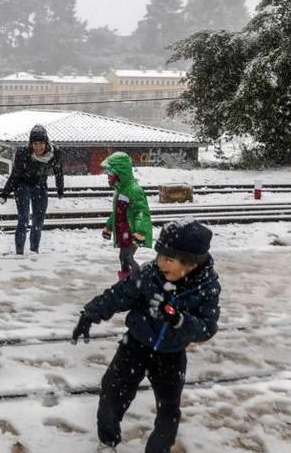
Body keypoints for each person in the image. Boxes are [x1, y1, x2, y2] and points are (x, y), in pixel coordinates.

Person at [71, 219, 220, 453]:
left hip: (171, 355)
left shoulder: (206, 286)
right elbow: (119, 295)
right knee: (111, 392)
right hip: (135, 345)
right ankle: (108, 441)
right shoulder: (150, 274)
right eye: (160, 255)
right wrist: (90, 313)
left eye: (169, 259)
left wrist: (179, 320)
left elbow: (207, 327)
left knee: (169, 410)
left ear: (191, 264)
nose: (160, 263)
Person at [0, 124, 64, 255]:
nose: (38, 147)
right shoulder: (23, 153)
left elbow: (59, 171)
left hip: (40, 185)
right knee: (24, 220)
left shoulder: (55, 153)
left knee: (38, 221)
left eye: (41, 143)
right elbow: (15, 174)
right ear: (31, 144)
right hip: (23, 185)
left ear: (46, 142)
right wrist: (5, 193)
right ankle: (19, 252)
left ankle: (34, 251)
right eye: (35, 144)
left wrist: (60, 188)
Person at [100, 152, 152, 280]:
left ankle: (140, 281)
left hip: (132, 232)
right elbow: (118, 212)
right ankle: (126, 281)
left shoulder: (134, 190)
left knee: (127, 257)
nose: (107, 176)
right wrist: (108, 227)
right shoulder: (120, 189)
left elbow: (142, 212)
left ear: (120, 172)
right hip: (124, 231)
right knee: (123, 258)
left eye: (110, 173)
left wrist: (140, 232)